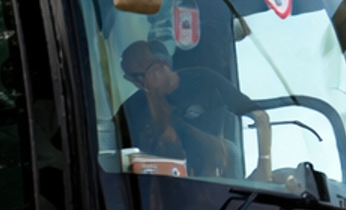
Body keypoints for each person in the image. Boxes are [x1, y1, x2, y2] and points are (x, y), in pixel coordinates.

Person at [114, 41, 273, 178]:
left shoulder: (204, 80)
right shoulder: (133, 108)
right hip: (169, 182)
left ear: (161, 66)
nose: (140, 84)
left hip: (221, 173)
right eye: (132, 79)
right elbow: (111, 148)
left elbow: (259, 115)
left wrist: (264, 166)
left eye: (140, 76)